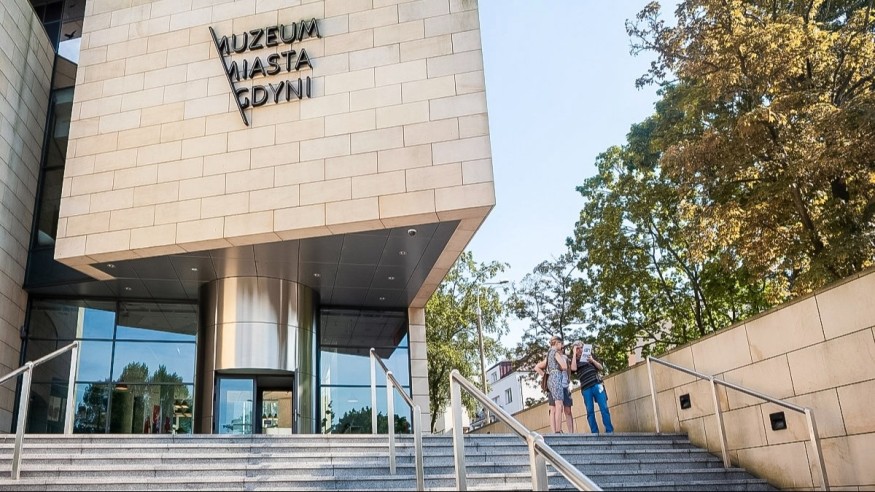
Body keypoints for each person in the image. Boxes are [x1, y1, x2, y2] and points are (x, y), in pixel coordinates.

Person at [570, 341, 614, 434]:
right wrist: (574, 354)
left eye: (581, 347)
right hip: (586, 388)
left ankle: (609, 431)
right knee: (590, 411)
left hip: (597, 384)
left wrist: (592, 360)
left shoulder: (590, 355)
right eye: (577, 348)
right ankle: (594, 432)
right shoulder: (575, 360)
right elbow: (573, 369)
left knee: (604, 408)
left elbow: (601, 367)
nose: (580, 350)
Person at [539, 336, 569, 433]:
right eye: (561, 343)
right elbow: (564, 366)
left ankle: (556, 430)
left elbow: (541, 366)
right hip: (556, 377)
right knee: (559, 405)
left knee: (554, 406)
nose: (562, 346)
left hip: (550, 379)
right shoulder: (555, 352)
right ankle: (558, 430)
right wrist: (562, 361)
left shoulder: (548, 353)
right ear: (556, 343)